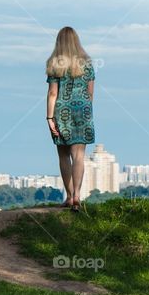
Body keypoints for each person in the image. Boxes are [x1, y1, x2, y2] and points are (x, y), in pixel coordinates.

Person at [45, 27, 95, 212]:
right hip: (83, 111)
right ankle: (77, 197)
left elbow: (52, 93)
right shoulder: (88, 63)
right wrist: (85, 109)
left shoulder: (54, 63)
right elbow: (90, 93)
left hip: (61, 112)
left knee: (63, 155)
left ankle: (68, 195)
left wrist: (50, 118)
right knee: (79, 156)